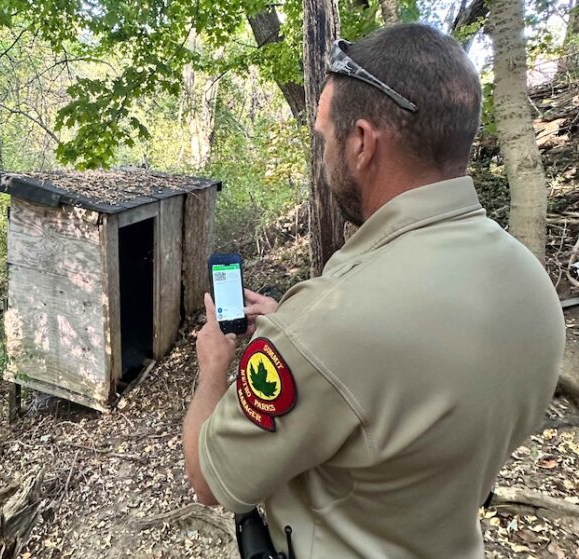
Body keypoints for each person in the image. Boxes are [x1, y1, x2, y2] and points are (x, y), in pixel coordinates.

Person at [182, 23, 565, 559]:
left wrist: (213, 368)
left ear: (361, 142)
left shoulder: (327, 328)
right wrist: (299, 333)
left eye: (324, 139)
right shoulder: (532, 286)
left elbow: (209, 478)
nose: (324, 156)